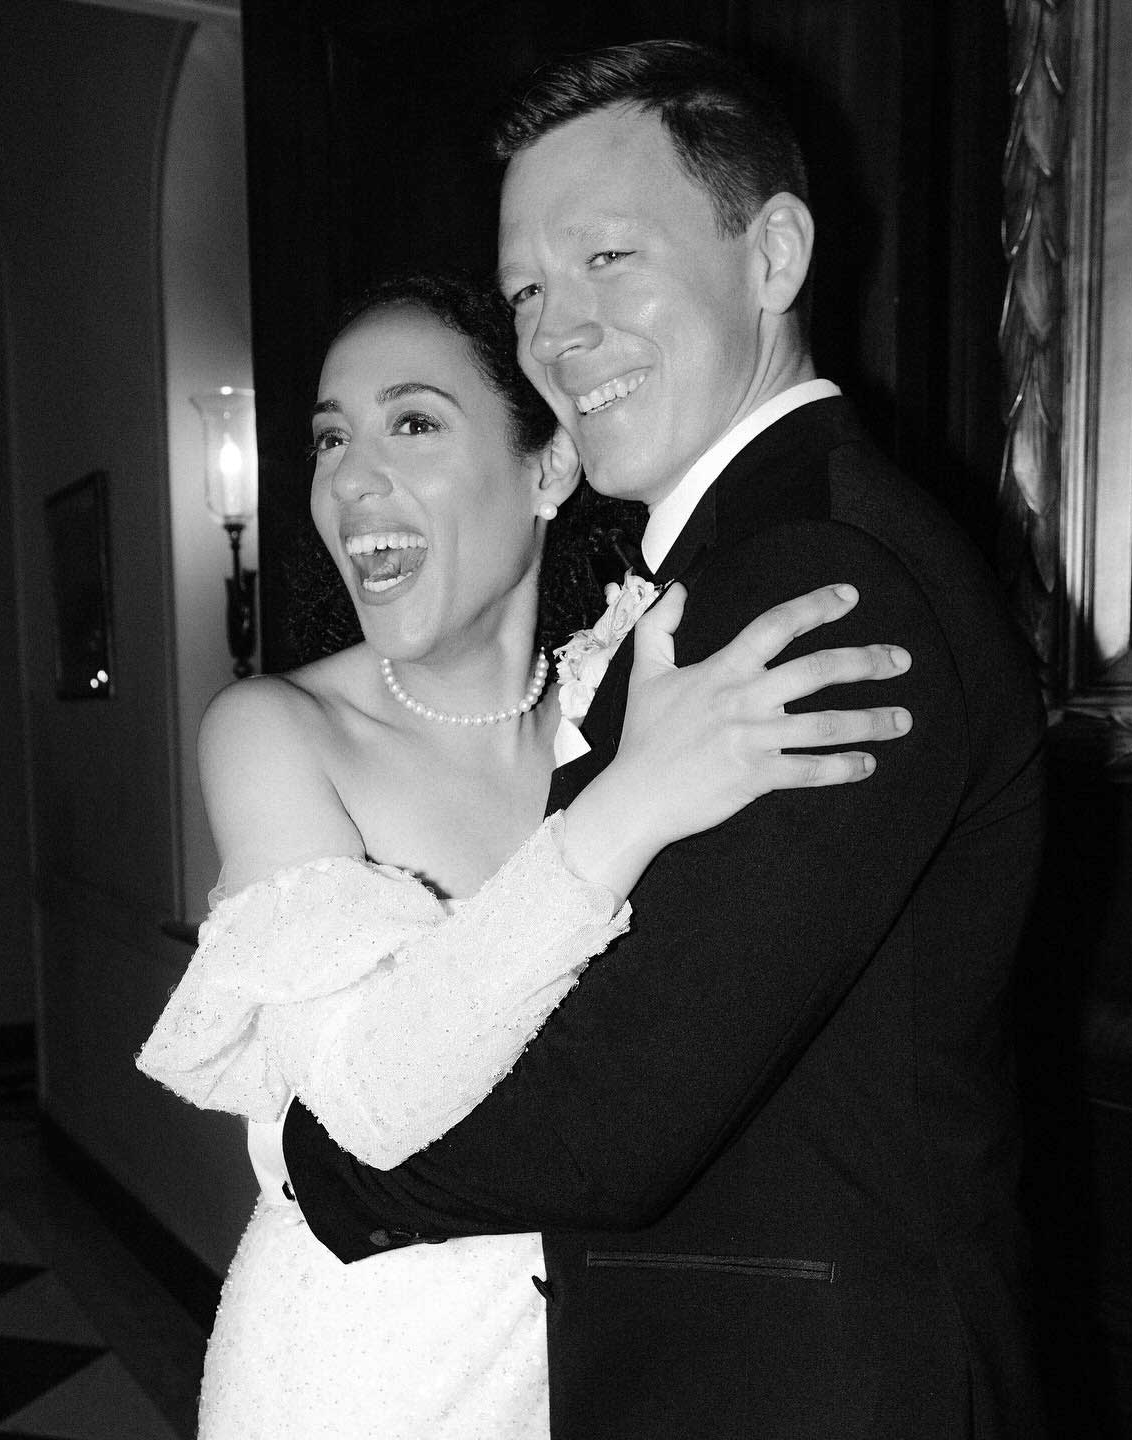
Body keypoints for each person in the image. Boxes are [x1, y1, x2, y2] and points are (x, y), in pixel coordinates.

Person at [282, 40, 1049, 1440]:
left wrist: (324, 1169)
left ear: (774, 256)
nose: (559, 333)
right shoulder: (744, 559)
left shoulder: (821, 577)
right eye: (528, 289)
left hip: (813, 1392)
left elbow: (621, 1104)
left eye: (608, 259)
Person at [137, 269, 912, 1436]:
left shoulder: (623, 702)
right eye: (331, 438)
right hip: (353, 1386)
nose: (351, 479)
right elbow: (365, 1106)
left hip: (599, 1378)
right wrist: (628, 809)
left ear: (548, 468)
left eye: (413, 423)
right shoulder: (274, 732)